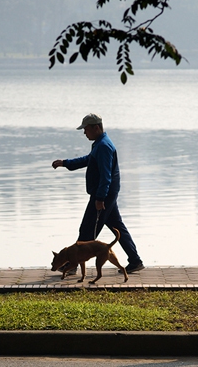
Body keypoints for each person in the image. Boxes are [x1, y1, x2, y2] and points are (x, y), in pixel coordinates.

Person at [52, 113, 144, 275]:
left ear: (96, 128)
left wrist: (100, 198)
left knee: (87, 230)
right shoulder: (100, 144)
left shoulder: (103, 146)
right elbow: (88, 160)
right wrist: (65, 163)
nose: (84, 133)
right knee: (117, 227)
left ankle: (71, 266)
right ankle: (135, 261)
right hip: (108, 194)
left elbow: (105, 175)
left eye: (86, 129)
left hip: (103, 196)